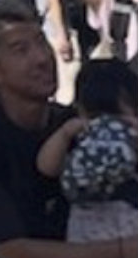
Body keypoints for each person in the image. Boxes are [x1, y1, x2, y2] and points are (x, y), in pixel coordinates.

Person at [0, 0, 137, 258]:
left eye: (42, 42)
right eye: (21, 50)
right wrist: (124, 250)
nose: (42, 58)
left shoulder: (73, 125)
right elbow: (13, 251)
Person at [36, 59, 137, 243]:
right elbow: (46, 168)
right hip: (87, 231)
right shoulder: (74, 132)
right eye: (96, 115)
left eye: (116, 114)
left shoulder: (133, 135)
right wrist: (65, 134)